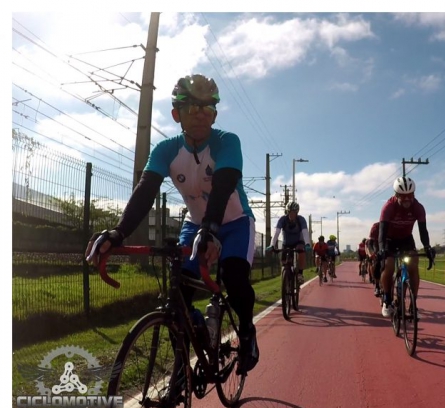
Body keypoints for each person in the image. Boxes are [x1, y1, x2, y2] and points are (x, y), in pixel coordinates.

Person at [84, 73, 259, 374]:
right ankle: (183, 364)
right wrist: (118, 232)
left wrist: (212, 230)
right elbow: (145, 192)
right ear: (177, 114)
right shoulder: (166, 149)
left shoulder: (227, 142)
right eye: (193, 107)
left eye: (208, 108)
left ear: (215, 114)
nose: (201, 114)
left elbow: (223, 185)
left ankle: (246, 332)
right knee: (179, 294)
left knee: (233, 276)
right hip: (196, 224)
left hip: (235, 222)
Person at [378, 176, 434, 318]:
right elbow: (382, 232)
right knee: (389, 265)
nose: (407, 199)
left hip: (406, 239)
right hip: (389, 239)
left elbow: (423, 231)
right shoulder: (388, 207)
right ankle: (387, 300)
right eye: (403, 196)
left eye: (410, 195)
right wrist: (382, 249)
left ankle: (413, 304)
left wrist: (427, 247)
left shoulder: (418, 208)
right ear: (396, 195)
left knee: (413, 265)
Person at [267, 201, 312, 285]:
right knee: (284, 262)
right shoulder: (282, 219)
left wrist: (307, 244)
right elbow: (276, 232)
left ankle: (300, 274)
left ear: (297, 213)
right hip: (286, 243)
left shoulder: (301, 220)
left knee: (301, 252)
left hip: (298, 241)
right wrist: (272, 245)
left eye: (293, 212)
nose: (291, 214)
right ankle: (285, 276)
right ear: (287, 212)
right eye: (290, 212)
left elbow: (305, 232)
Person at [365, 222, 381, 296]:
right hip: (375, 248)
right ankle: (377, 286)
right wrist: (371, 254)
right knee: (376, 264)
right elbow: (369, 246)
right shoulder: (376, 227)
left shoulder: (392, 226)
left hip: (386, 247)